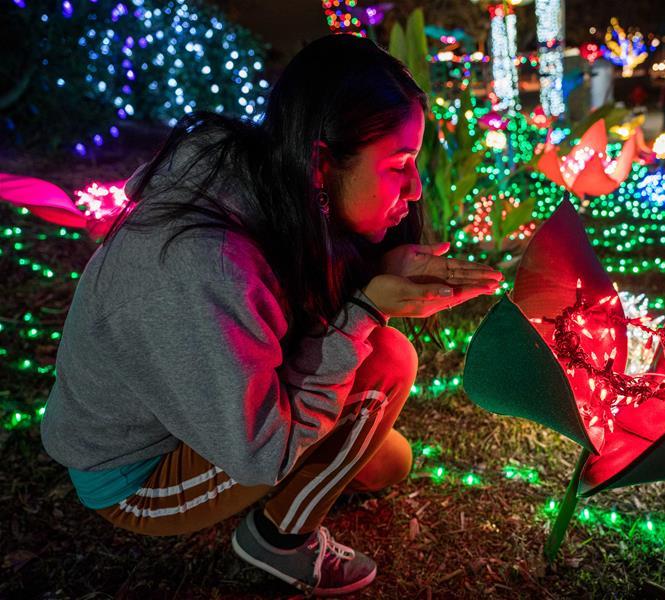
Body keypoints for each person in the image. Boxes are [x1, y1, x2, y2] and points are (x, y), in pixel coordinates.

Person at [39, 35, 502, 595]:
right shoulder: (210, 264)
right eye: (398, 164)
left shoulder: (267, 177)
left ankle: (315, 477)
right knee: (386, 364)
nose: (415, 187)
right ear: (321, 163)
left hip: (208, 412)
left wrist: (380, 266)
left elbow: (295, 280)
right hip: (135, 469)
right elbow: (263, 452)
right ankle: (279, 539)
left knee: (390, 462)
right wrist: (363, 312)